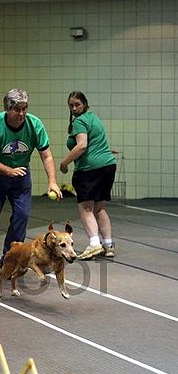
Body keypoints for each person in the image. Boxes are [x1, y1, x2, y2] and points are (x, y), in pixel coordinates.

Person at [0, 88, 62, 280]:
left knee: (22, 216)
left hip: (21, 177)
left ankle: (9, 260)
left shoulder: (34, 124)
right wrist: (9, 171)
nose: (21, 114)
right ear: (7, 109)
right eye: (16, 109)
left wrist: (52, 181)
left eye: (24, 108)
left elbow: (47, 155)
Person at [60, 91, 116, 260]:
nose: (74, 108)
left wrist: (65, 163)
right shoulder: (94, 118)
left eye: (77, 104)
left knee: (86, 208)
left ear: (85, 104)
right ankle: (108, 244)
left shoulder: (80, 121)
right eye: (71, 105)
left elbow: (82, 145)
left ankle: (94, 244)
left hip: (89, 170)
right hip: (108, 166)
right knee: (100, 208)